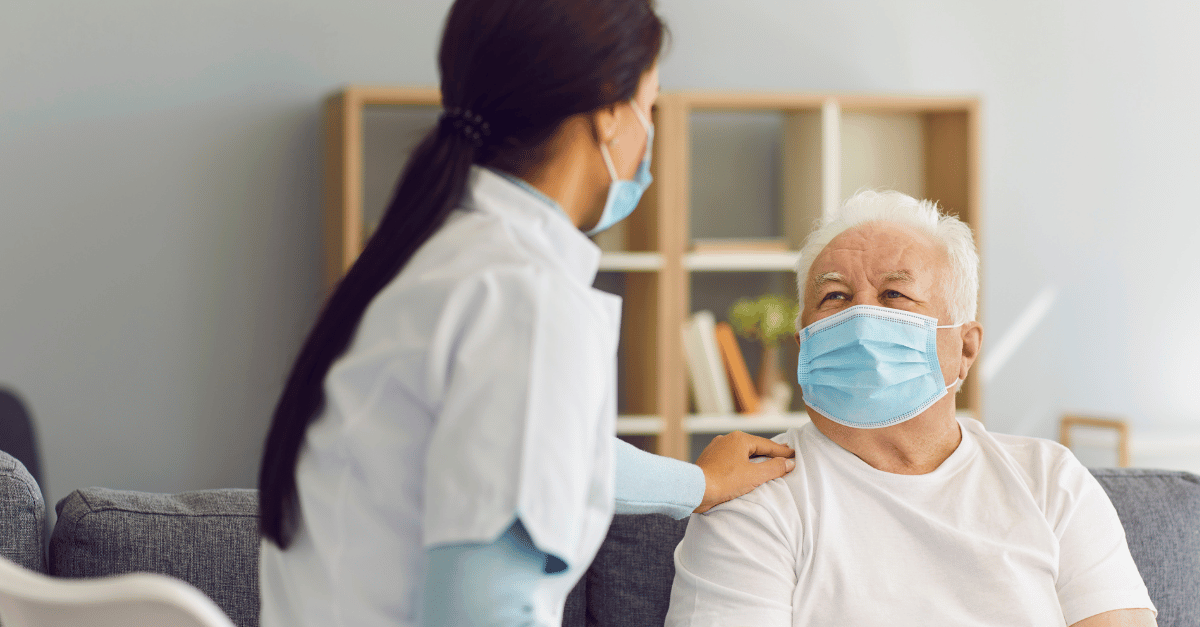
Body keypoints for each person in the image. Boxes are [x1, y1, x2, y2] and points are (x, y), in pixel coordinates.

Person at [256, 2, 794, 626]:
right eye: (650, 107)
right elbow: (484, 606)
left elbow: (542, 457)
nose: (650, 133)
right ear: (608, 114)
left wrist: (696, 486)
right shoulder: (523, 299)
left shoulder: (432, 260)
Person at [664, 190, 1157, 627]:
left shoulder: (1051, 480)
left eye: (894, 294)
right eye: (833, 296)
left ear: (966, 347)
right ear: (803, 342)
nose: (861, 315)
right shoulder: (753, 493)